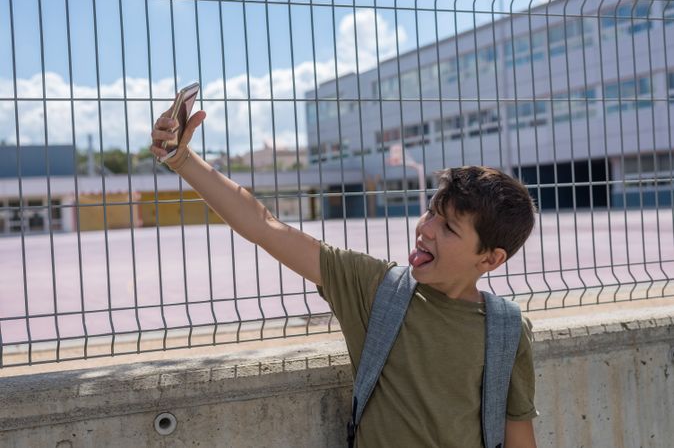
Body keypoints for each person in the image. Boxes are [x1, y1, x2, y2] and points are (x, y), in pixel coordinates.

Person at [150, 108, 538, 448]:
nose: (427, 229)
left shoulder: (506, 329)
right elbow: (264, 227)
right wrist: (184, 160)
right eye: (432, 211)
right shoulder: (376, 288)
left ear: (490, 258)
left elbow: (518, 433)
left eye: (449, 228)